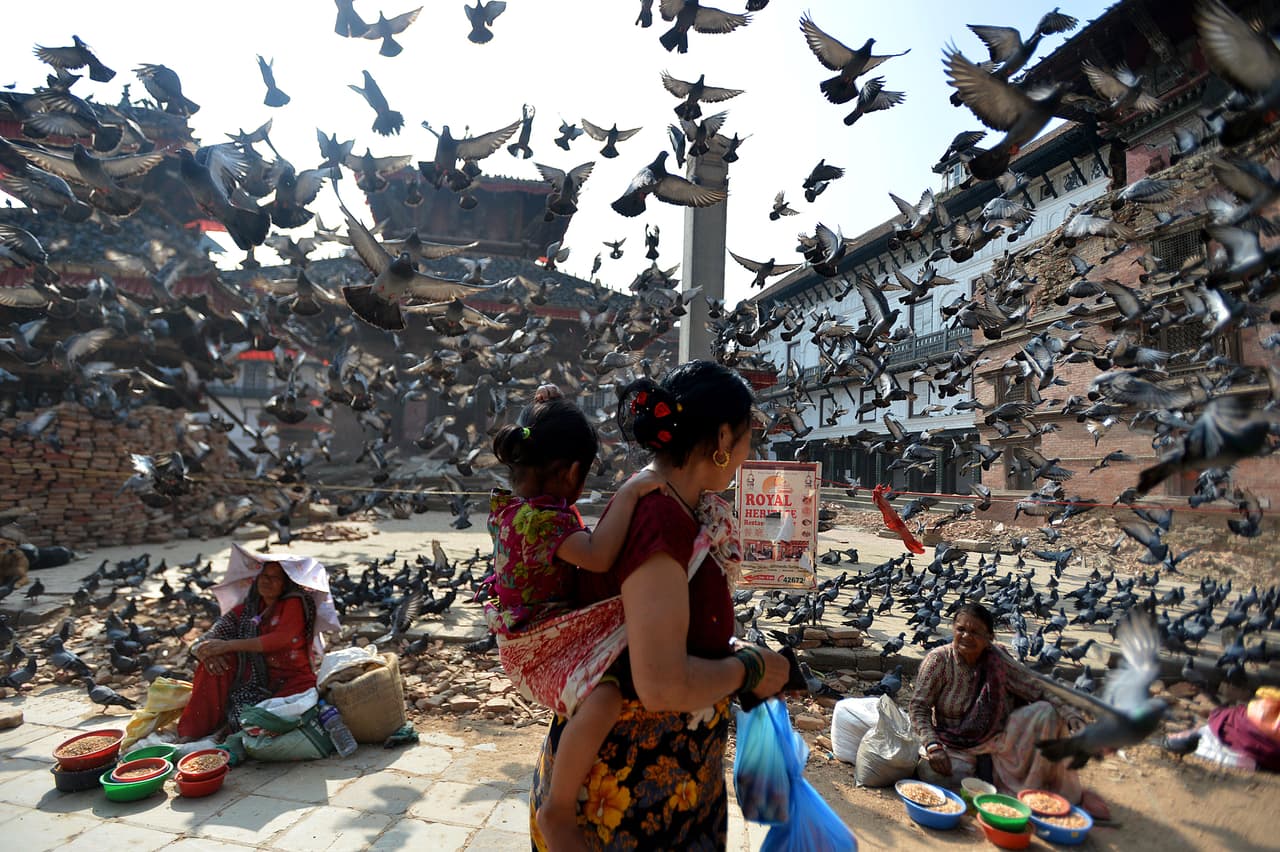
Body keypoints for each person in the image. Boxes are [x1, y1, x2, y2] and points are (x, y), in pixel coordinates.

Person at [528, 360, 790, 850]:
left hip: (670, 787)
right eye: (749, 434)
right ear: (722, 436)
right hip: (629, 804)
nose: (750, 450)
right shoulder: (659, 520)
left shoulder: (685, 509)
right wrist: (749, 669)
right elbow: (661, 683)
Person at [484, 384, 665, 851]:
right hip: (539, 644)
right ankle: (558, 808)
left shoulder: (512, 510)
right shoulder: (547, 522)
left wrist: (550, 407)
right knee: (604, 697)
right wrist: (631, 490)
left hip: (525, 633)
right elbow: (601, 555)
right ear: (568, 474)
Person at [909, 603, 1110, 819]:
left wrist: (1070, 714)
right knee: (932, 774)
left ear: (989, 638)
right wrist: (932, 745)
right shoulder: (938, 660)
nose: (966, 636)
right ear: (953, 629)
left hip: (1001, 738)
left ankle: (1045, 793)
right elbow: (919, 707)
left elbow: (1035, 688)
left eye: (975, 632)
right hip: (956, 742)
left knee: (1047, 712)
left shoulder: (998, 660)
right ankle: (994, 779)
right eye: (961, 629)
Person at [177, 558, 320, 741]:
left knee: (265, 721)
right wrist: (204, 652)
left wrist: (228, 645)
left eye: (275, 578)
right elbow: (207, 638)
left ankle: (227, 732)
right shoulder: (247, 610)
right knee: (213, 665)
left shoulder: (294, 603)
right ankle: (192, 733)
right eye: (264, 576)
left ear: (286, 584)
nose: (267, 581)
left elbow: (280, 639)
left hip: (291, 681)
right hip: (253, 681)